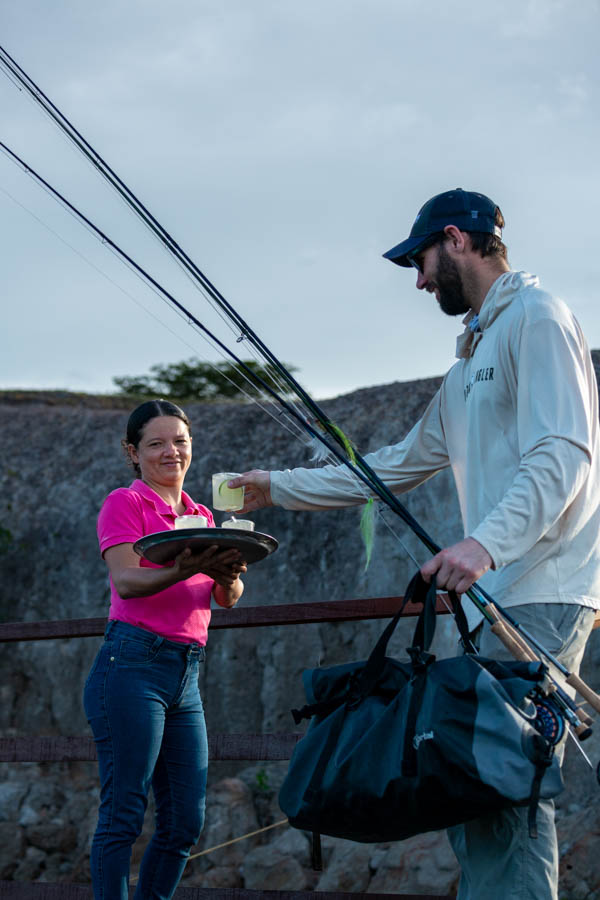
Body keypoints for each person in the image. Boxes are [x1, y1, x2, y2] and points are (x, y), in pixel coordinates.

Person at [230, 188, 600, 900]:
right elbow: (393, 468)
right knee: (470, 782)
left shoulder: (538, 316)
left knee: (505, 789)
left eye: (422, 260)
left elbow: (563, 452)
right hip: (494, 596)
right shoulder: (468, 361)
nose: (421, 279)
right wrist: (274, 487)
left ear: (457, 239)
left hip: (542, 586)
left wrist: (482, 545)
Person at [84, 399, 247, 900]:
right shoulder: (126, 503)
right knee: (125, 812)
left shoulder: (201, 514)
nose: (170, 451)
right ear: (133, 453)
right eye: (156, 443)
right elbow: (128, 581)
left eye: (180, 441)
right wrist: (182, 567)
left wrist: (228, 574)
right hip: (131, 665)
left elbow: (226, 598)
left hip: (186, 674)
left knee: (183, 822)